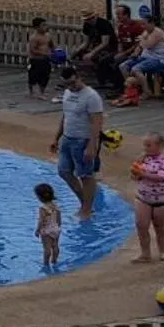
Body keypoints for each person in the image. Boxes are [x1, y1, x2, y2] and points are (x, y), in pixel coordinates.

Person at [51, 65, 104, 220]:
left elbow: (97, 123)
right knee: (64, 171)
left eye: (73, 83)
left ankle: (87, 209)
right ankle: (85, 203)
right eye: (67, 84)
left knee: (86, 175)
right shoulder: (68, 93)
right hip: (67, 138)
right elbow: (65, 116)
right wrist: (56, 137)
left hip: (83, 140)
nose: (70, 87)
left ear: (79, 77)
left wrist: (91, 145)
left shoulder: (91, 97)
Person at [132, 132, 164, 263]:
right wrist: (136, 172)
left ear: (160, 146)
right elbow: (134, 176)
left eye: (148, 145)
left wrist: (143, 174)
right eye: (145, 145)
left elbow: (162, 178)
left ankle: (163, 251)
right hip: (144, 197)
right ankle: (145, 254)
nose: (145, 148)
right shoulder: (143, 159)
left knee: (160, 226)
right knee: (141, 225)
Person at [121, 17, 164, 87]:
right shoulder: (146, 32)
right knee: (123, 66)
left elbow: (148, 45)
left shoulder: (157, 33)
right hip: (146, 57)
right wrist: (135, 53)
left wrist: (142, 38)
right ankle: (133, 88)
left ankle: (146, 92)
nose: (142, 26)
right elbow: (140, 45)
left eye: (144, 24)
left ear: (152, 24)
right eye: (142, 24)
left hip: (159, 60)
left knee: (136, 69)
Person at [78, 9, 120, 88]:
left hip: (109, 47)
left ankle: (103, 80)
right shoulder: (86, 25)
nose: (89, 21)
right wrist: (77, 51)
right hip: (96, 46)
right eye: (86, 19)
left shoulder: (103, 24)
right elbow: (85, 42)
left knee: (101, 58)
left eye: (90, 19)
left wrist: (92, 53)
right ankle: (89, 75)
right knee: (81, 55)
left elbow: (105, 43)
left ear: (94, 17)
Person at [35, 183, 63, 268]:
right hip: (56, 229)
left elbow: (41, 220)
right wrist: (57, 226)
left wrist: (37, 230)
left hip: (46, 231)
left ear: (40, 197)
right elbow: (59, 218)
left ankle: (46, 264)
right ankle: (54, 260)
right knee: (55, 246)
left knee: (47, 249)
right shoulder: (55, 206)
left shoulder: (43, 208)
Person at [27, 18, 55, 100]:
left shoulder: (48, 36)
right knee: (33, 76)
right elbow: (33, 50)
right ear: (36, 27)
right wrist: (44, 53)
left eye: (46, 25)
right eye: (43, 25)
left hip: (45, 60)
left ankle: (42, 92)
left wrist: (54, 51)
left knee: (45, 76)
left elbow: (51, 44)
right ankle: (31, 91)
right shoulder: (34, 38)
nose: (45, 27)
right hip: (35, 60)